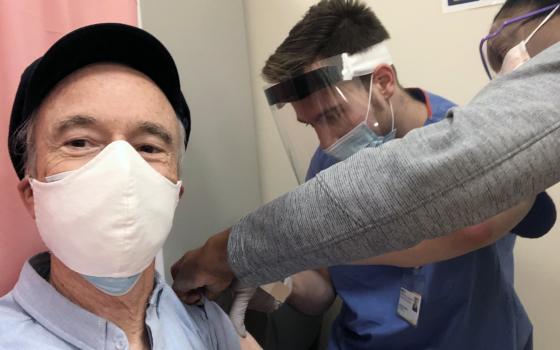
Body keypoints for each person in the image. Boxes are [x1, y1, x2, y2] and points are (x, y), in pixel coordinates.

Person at [172, 0, 560, 302]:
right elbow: (322, 288)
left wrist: (237, 252)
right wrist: (278, 283)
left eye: (333, 114)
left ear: (384, 82)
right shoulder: (329, 160)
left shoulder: (461, 135)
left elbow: (470, 221)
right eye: (311, 125)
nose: (326, 143)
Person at [0, 23, 245, 350]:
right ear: (33, 195)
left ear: (175, 194)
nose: (122, 170)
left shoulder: (208, 325)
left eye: (148, 148)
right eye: (79, 142)